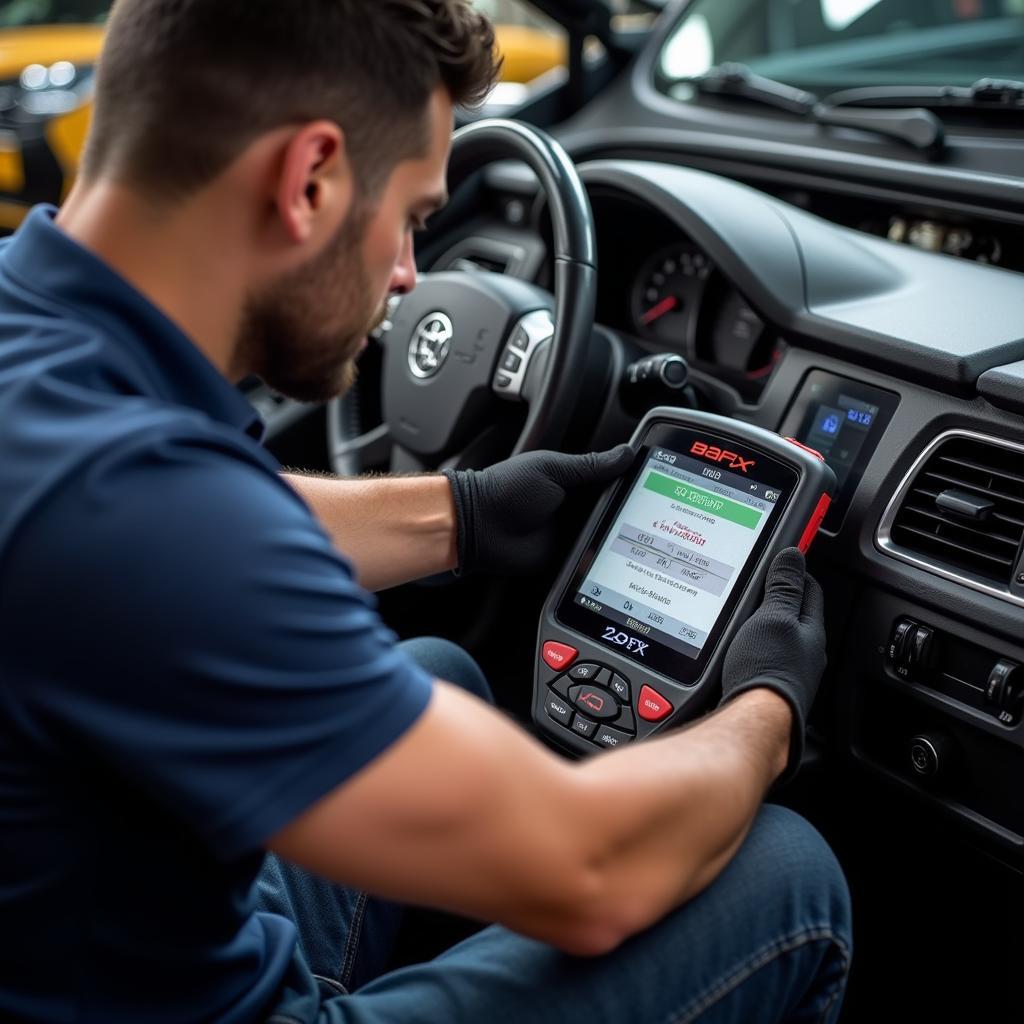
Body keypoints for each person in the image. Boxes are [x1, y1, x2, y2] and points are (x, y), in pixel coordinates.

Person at [0, 1, 851, 1022]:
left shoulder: (41, 342)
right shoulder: (145, 514)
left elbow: (190, 525)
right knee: (786, 871)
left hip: (96, 941)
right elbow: (592, 872)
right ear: (308, 178)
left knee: (438, 669)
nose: (409, 278)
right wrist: (769, 705)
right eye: (409, 215)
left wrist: (462, 511)